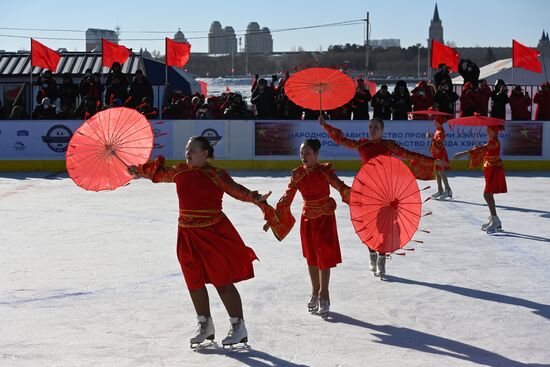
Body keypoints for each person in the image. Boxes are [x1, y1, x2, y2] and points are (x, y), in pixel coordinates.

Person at [128, 136, 280, 348]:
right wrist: (138, 171)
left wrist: (255, 198)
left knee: (222, 281)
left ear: (206, 153)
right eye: (186, 149)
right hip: (187, 234)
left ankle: (238, 327)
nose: (187, 153)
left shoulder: (216, 174)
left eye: (193, 150)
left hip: (213, 233)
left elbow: (236, 190)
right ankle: (205, 325)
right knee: (194, 281)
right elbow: (158, 174)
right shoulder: (180, 171)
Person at [319, 115, 446, 278]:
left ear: (382, 130)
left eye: (375, 127)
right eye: (370, 127)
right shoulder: (362, 144)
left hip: (385, 191)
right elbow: (341, 139)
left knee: (385, 226)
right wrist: (325, 126)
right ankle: (372, 253)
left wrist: (434, 162)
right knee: (369, 227)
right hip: (366, 192)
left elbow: (411, 155)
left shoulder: (389, 145)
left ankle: (382, 257)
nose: (372, 130)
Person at [266, 139, 350, 318]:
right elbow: (286, 198)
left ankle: (324, 294)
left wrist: (353, 193)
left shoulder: (325, 171)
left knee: (324, 256)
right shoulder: (298, 174)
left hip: (325, 218)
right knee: (311, 257)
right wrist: (274, 217)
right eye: (302, 153)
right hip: (308, 219)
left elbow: (340, 186)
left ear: (316, 154)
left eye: (308, 153)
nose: (304, 157)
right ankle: (314, 292)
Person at [453, 125, 507, 233]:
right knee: (489, 194)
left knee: (487, 194)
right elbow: (484, 149)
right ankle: (493, 218)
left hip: (493, 169)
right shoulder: (492, 141)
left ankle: (495, 219)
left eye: (489, 130)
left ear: (494, 132)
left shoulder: (494, 141)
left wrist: (464, 153)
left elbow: (484, 148)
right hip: (490, 168)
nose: (486, 131)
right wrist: (476, 149)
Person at [427, 117, 452, 199]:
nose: (434, 122)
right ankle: (440, 190)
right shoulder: (437, 130)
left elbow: (440, 144)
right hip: (436, 153)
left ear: (438, 122)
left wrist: (431, 139)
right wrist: (432, 138)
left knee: (441, 172)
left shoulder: (441, 131)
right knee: (437, 172)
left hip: (440, 154)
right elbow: (436, 142)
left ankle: (448, 190)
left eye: (435, 121)